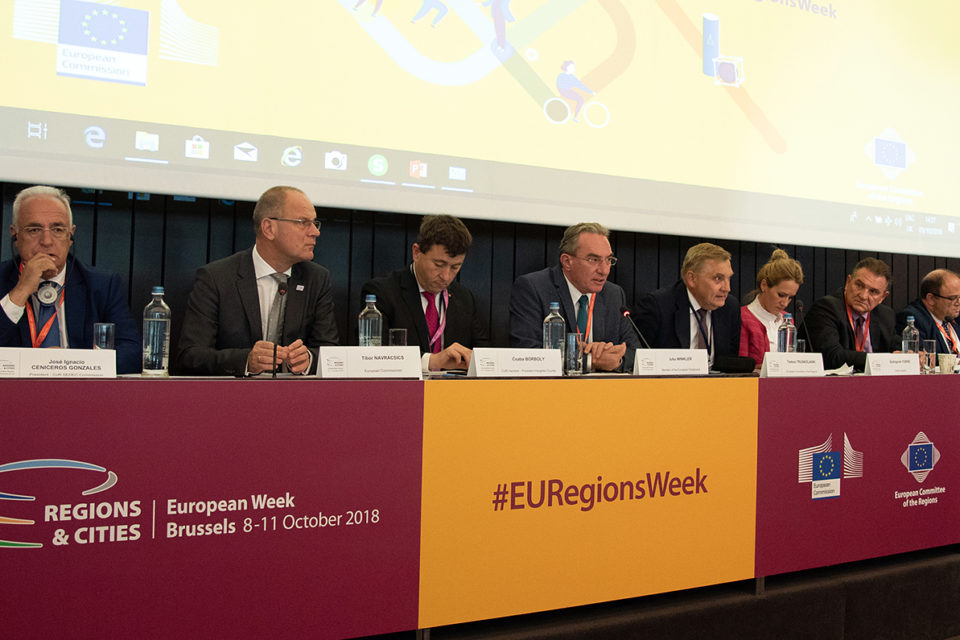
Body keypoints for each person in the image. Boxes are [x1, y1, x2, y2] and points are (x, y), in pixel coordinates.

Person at [178, 186, 338, 376]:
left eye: (314, 223)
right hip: (231, 398)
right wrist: (246, 362)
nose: (315, 232)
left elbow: (329, 352)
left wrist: (309, 359)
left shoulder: (317, 279)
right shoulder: (216, 278)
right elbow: (190, 356)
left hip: (295, 398)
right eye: (303, 222)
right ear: (269, 228)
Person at [0, 186, 140, 373]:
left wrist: (72, 364)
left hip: (80, 392)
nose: (47, 241)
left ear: (70, 235)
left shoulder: (102, 285)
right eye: (34, 230)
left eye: (57, 229)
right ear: (15, 235)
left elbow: (132, 353)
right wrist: (20, 291)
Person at [362, 214, 490, 371]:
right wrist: (431, 361)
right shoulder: (382, 292)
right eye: (439, 264)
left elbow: (483, 354)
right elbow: (373, 356)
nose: (446, 276)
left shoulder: (464, 298)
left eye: (455, 267)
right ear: (416, 253)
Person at [509, 222, 637, 372]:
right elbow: (526, 353)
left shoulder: (613, 294)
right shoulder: (534, 288)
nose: (604, 270)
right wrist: (590, 361)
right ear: (567, 261)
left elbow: (636, 354)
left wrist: (617, 359)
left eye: (608, 260)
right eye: (593, 260)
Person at [633, 242, 741, 368]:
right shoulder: (657, 306)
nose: (727, 288)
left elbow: (730, 362)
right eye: (718, 278)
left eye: (729, 279)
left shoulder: (730, 308)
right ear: (692, 279)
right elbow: (638, 361)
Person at [801, 257, 895, 371]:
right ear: (848, 282)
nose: (863, 296)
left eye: (873, 292)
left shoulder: (885, 315)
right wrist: (880, 360)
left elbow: (896, 347)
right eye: (859, 285)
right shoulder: (826, 308)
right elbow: (832, 357)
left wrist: (910, 356)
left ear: (883, 297)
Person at [739, 249, 804, 367]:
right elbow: (741, 368)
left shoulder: (787, 320)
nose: (785, 303)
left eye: (790, 297)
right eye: (781, 295)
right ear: (764, 285)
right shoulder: (742, 318)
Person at [895, 269, 960, 356]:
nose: (958, 303)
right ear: (931, 299)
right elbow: (923, 359)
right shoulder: (914, 319)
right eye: (952, 298)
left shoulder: (951, 317)